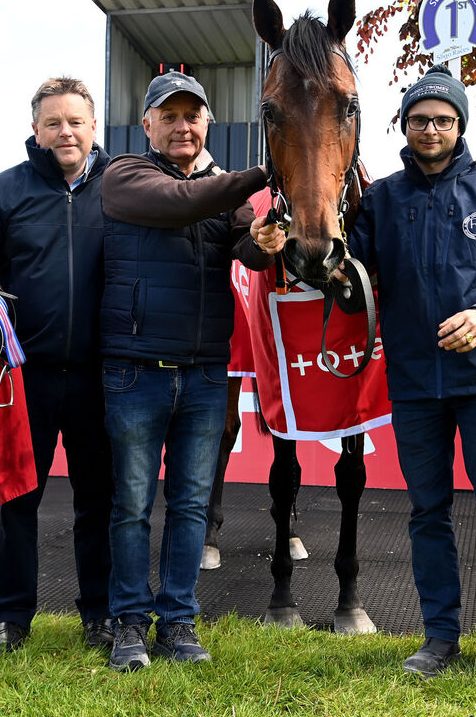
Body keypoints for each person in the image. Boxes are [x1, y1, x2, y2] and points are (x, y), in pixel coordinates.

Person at [343, 64, 476, 697]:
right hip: (412, 381)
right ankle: (440, 638)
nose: (430, 129)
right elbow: (349, 283)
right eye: (418, 119)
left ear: (460, 126)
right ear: (403, 125)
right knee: (427, 512)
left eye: (443, 119)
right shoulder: (380, 199)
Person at [99, 70, 279, 671]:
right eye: (168, 116)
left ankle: (177, 622)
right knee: (130, 504)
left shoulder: (220, 191)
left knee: (190, 505)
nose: (181, 125)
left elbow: (245, 245)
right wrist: (261, 175)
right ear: (147, 124)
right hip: (133, 371)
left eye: (191, 115)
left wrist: (263, 236)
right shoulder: (125, 176)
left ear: (207, 123)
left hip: (204, 373)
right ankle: (129, 622)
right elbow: (184, 203)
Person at [0, 77, 115, 653]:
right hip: (21, 376)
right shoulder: (0, 194)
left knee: (100, 501)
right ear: (35, 129)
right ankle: (11, 617)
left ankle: (101, 614)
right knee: (14, 500)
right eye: (53, 122)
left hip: (102, 376)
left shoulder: (123, 188)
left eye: (76, 122)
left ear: (93, 127)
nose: (65, 132)